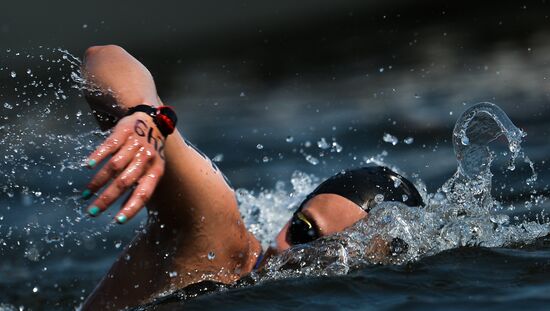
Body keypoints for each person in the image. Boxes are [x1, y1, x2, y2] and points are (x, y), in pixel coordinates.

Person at [79, 45, 424, 310]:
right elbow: (104, 57)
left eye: (335, 259)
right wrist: (147, 117)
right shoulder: (217, 245)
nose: (298, 257)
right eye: (302, 231)